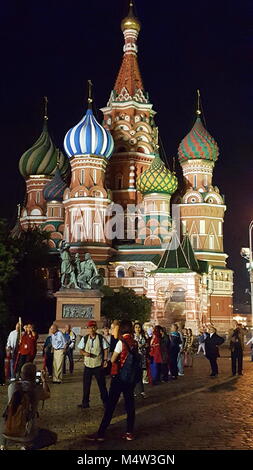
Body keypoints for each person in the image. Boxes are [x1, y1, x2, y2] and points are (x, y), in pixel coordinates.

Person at [85, 319, 137, 442]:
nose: (113, 330)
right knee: (130, 405)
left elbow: (113, 360)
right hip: (130, 377)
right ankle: (129, 432)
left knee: (110, 406)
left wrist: (107, 363)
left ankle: (101, 433)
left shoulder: (121, 342)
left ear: (121, 329)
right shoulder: (134, 342)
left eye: (114, 328)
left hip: (119, 377)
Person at [0, 362, 50, 450]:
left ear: (21, 374)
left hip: (7, 429)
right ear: (34, 376)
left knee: (7, 418)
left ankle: (2, 445)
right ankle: (24, 446)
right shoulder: (36, 390)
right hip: (27, 432)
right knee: (50, 436)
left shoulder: (12, 386)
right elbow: (48, 394)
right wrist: (44, 380)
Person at [77, 320, 108, 409]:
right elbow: (80, 349)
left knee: (102, 385)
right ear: (88, 329)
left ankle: (106, 401)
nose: (92, 329)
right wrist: (84, 353)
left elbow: (105, 349)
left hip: (98, 365)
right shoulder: (85, 338)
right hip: (88, 365)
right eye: (90, 327)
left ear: (96, 328)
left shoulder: (101, 338)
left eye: (93, 327)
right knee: (86, 385)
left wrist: (105, 360)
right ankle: (85, 403)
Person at [133, 322, 147, 397]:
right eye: (136, 327)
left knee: (140, 374)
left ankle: (141, 390)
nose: (137, 329)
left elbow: (145, 345)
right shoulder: (132, 337)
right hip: (135, 357)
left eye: (139, 327)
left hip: (142, 357)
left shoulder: (143, 336)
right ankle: (133, 390)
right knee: (134, 374)